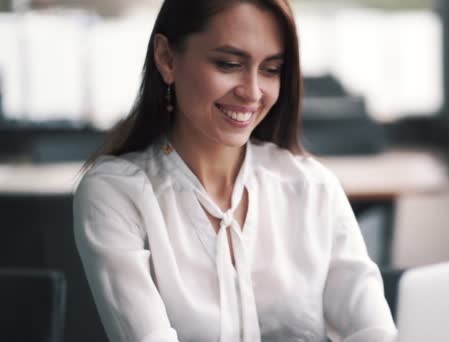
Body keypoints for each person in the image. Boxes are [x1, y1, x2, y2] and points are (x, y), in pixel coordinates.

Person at [73, 1, 397, 341]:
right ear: (167, 58)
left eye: (271, 70)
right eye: (229, 64)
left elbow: (375, 331)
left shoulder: (312, 186)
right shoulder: (116, 193)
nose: (253, 92)